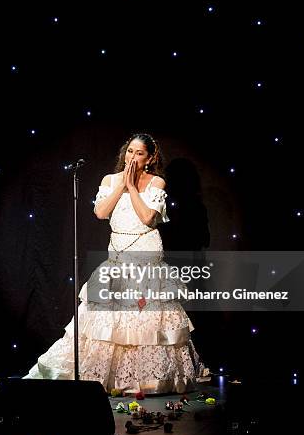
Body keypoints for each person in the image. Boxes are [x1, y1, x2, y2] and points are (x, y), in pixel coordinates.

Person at [23, 133, 208, 393]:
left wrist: (133, 187)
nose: (132, 157)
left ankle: (149, 379)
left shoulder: (157, 182)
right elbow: (100, 212)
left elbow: (147, 218)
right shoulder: (110, 180)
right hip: (118, 251)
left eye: (139, 153)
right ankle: (108, 375)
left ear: (150, 157)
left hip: (145, 249)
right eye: (130, 151)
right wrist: (122, 184)